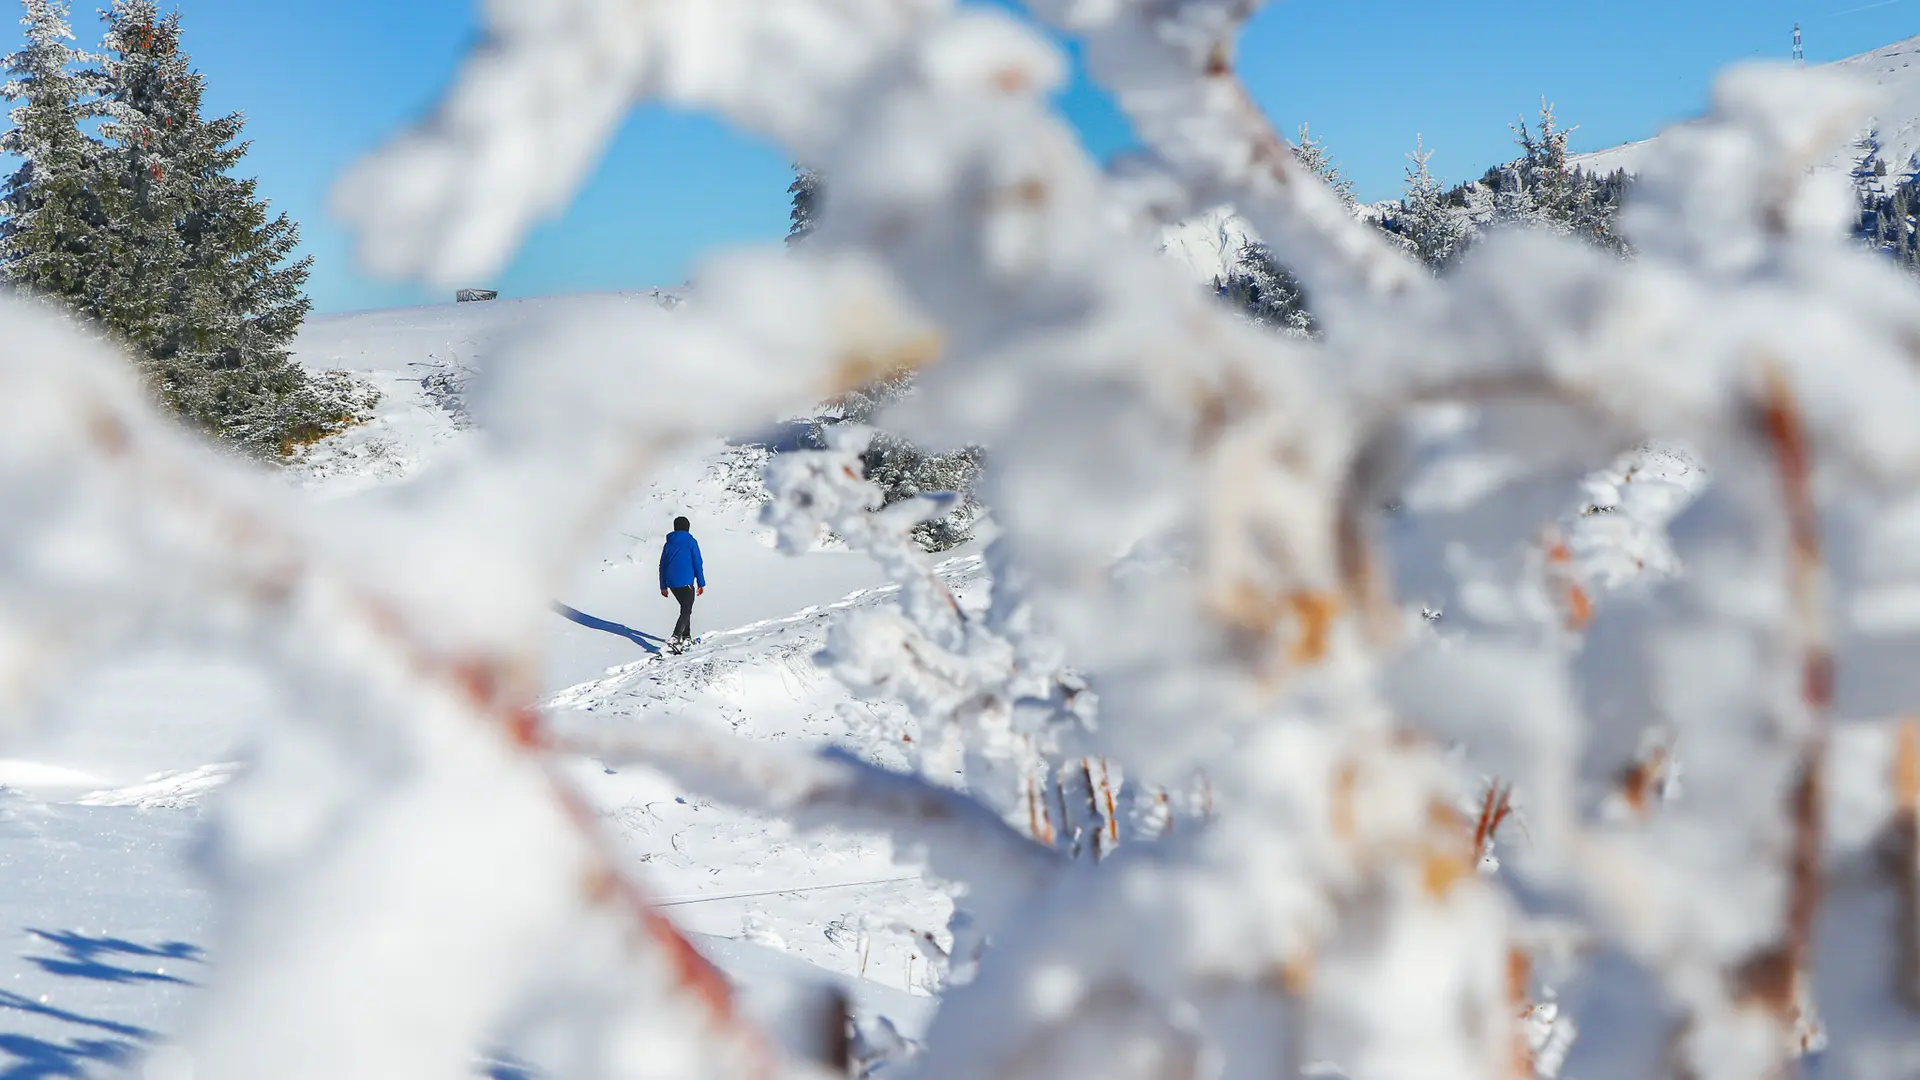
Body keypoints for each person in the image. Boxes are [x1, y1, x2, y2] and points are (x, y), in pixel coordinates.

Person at [658, 515, 706, 652]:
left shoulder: (668, 543)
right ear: (687, 527)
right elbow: (697, 562)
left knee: (685, 608)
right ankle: (676, 637)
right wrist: (701, 582)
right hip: (686, 582)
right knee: (686, 609)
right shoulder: (691, 542)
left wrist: (663, 585)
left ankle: (686, 638)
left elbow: (662, 565)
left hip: (672, 583)